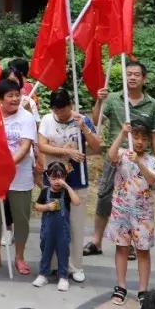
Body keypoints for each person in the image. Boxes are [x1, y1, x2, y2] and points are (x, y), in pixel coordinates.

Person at [86, 60, 155, 257]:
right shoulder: (113, 99)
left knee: (133, 199)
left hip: (139, 159)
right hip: (116, 156)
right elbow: (96, 121)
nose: (132, 77)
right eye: (128, 74)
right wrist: (99, 101)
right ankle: (96, 240)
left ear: (144, 78)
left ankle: (128, 241)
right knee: (105, 195)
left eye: (136, 74)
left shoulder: (153, 105)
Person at [38, 88, 101, 282]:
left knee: (75, 225)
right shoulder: (47, 120)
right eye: (57, 111)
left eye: (64, 110)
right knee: (53, 224)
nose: (61, 114)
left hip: (76, 181)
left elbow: (97, 146)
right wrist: (65, 153)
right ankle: (55, 264)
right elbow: (42, 146)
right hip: (53, 181)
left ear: (71, 105)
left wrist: (85, 128)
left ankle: (76, 266)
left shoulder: (81, 119)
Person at [0, 79, 37, 276]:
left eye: (17, 95)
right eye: (10, 96)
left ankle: (19, 257)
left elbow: (25, 146)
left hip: (19, 177)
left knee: (21, 218)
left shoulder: (26, 118)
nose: (15, 99)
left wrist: (7, 165)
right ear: (0, 99)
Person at [106, 121, 155, 306]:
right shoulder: (123, 154)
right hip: (121, 210)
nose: (139, 142)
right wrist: (122, 133)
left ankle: (143, 290)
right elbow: (110, 156)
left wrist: (139, 162)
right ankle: (120, 287)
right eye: (136, 137)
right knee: (121, 248)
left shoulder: (151, 160)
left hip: (143, 214)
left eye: (144, 139)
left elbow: (153, 179)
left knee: (143, 251)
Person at [32, 161, 80, 292]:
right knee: (46, 252)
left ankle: (63, 276)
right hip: (48, 230)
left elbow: (77, 202)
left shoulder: (66, 193)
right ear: (48, 178)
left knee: (63, 253)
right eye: (54, 178)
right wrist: (47, 207)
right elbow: (36, 206)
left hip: (62, 232)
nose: (57, 181)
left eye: (60, 178)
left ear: (65, 177)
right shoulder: (45, 192)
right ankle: (43, 274)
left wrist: (67, 186)